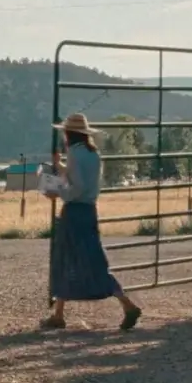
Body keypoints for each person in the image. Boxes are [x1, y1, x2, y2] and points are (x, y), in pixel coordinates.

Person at [42, 113, 143, 331]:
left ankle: (127, 305)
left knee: (68, 258)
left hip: (75, 211)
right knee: (91, 259)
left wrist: (58, 191)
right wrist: (60, 166)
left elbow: (76, 186)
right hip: (89, 210)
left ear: (69, 133)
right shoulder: (93, 153)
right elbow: (81, 179)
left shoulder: (75, 154)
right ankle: (59, 313)